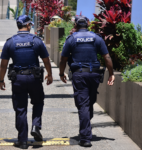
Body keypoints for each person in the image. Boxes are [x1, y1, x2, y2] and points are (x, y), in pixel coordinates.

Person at [59, 15, 115, 147]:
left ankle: (85, 138)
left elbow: (63, 59)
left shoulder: (71, 39)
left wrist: (61, 73)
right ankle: (86, 128)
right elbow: (106, 56)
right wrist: (111, 73)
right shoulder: (97, 38)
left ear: (76, 26)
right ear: (87, 25)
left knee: (83, 104)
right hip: (94, 75)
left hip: (79, 75)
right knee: (89, 102)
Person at [0, 15, 53, 149]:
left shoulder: (10, 42)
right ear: (28, 25)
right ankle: (36, 126)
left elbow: (3, 64)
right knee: (38, 102)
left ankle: (22, 141)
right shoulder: (36, 41)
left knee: (20, 108)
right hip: (34, 78)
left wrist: (1, 79)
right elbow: (46, 60)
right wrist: (50, 74)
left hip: (18, 79)